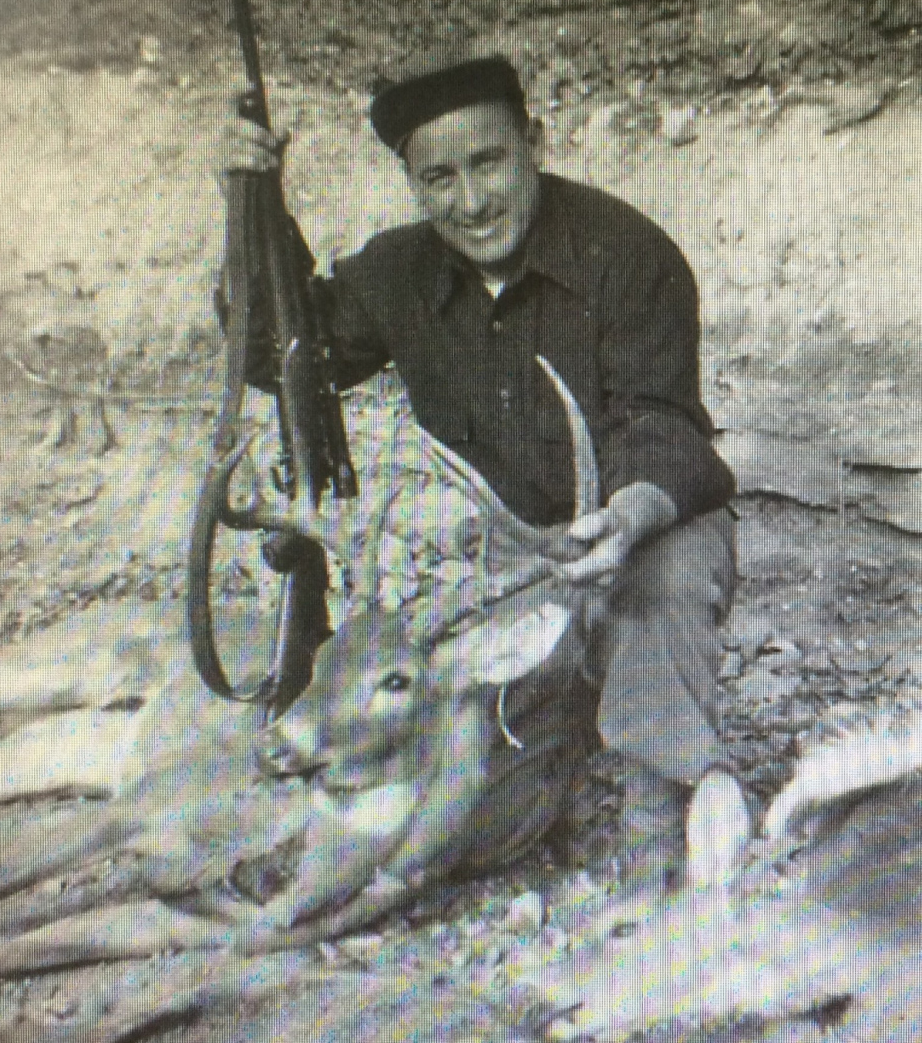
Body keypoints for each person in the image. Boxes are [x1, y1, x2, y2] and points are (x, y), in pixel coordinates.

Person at [224, 51, 737, 895]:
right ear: (413, 184)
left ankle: (659, 832)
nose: (470, 201)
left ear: (534, 141)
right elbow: (281, 356)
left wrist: (627, 516)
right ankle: (555, 749)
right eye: (439, 178)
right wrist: (249, 208)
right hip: (508, 567)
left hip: (639, 528)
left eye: (489, 162)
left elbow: (663, 422)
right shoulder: (395, 271)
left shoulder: (627, 253)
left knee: (658, 592)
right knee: (476, 803)